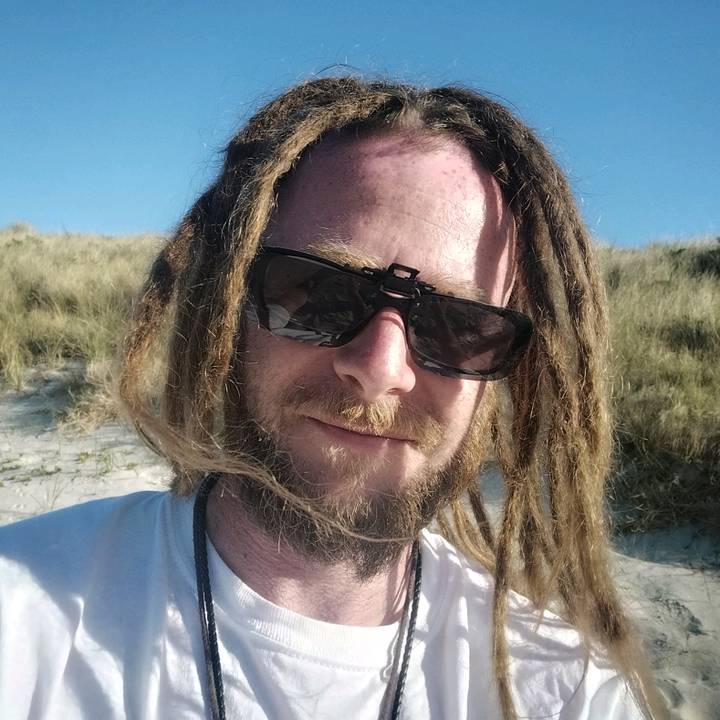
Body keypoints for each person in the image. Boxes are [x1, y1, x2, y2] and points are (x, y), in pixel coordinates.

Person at [0, 76, 665, 720]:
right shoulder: (26, 610)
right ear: (228, 301)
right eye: (319, 291)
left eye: (457, 324)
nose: (379, 370)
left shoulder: (563, 692)